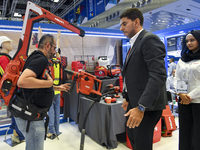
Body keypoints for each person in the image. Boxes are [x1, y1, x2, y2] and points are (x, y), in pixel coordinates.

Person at [120, 8, 167, 150]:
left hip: (146, 107)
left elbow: (158, 76)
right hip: (134, 104)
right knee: (134, 141)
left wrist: (141, 107)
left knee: (142, 145)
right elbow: (135, 74)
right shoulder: (134, 43)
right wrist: (127, 97)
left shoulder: (149, 39)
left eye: (124, 24)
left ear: (136, 22)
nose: (121, 28)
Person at [14, 34, 57, 150]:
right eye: (54, 48)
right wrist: (49, 84)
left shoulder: (34, 57)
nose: (55, 52)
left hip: (31, 116)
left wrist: (55, 87)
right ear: (48, 46)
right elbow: (22, 81)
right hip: (31, 118)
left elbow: (35, 83)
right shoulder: (41, 59)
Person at [174, 30, 200, 150]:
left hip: (197, 101)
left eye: (192, 40)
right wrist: (180, 93)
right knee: (184, 132)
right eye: (187, 41)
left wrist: (189, 96)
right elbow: (177, 78)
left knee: (197, 133)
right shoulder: (182, 59)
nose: (189, 43)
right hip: (183, 101)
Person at [0, 36, 25, 143]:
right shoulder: (3, 58)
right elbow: (10, 76)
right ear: (2, 44)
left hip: (8, 91)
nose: (10, 44)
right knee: (16, 112)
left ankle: (16, 134)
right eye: (8, 42)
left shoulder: (6, 57)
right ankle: (18, 135)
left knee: (15, 112)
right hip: (10, 91)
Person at [47, 52, 70, 139]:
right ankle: (57, 130)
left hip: (51, 89)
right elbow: (59, 56)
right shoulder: (58, 62)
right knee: (57, 110)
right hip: (58, 89)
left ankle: (52, 131)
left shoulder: (48, 62)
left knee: (50, 111)